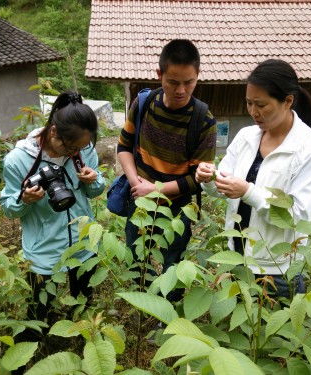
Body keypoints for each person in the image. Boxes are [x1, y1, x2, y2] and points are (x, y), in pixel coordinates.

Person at [196, 59, 311, 298]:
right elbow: (221, 189)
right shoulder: (246, 136)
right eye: (249, 103)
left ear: (288, 101)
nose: (253, 112)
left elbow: (296, 216)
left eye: (261, 105)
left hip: (277, 268)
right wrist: (208, 178)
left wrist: (248, 191)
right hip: (237, 257)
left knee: (276, 333)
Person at [0, 91, 105, 341]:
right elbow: (7, 207)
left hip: (83, 244)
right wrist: (24, 200)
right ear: (54, 131)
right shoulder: (18, 160)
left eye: (80, 148)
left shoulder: (83, 148)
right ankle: (27, 355)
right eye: (70, 148)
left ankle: (82, 348)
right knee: (38, 312)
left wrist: (94, 180)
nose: (74, 153)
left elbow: (96, 189)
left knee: (83, 305)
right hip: (44, 250)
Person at [117, 39, 216, 297]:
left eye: (189, 82)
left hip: (177, 208)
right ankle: (141, 305)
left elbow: (198, 179)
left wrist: (157, 189)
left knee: (172, 265)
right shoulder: (144, 103)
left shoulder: (203, 121)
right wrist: (138, 184)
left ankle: (166, 315)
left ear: (197, 76)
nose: (181, 90)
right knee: (136, 258)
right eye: (173, 82)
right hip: (139, 200)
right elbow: (124, 147)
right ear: (159, 74)